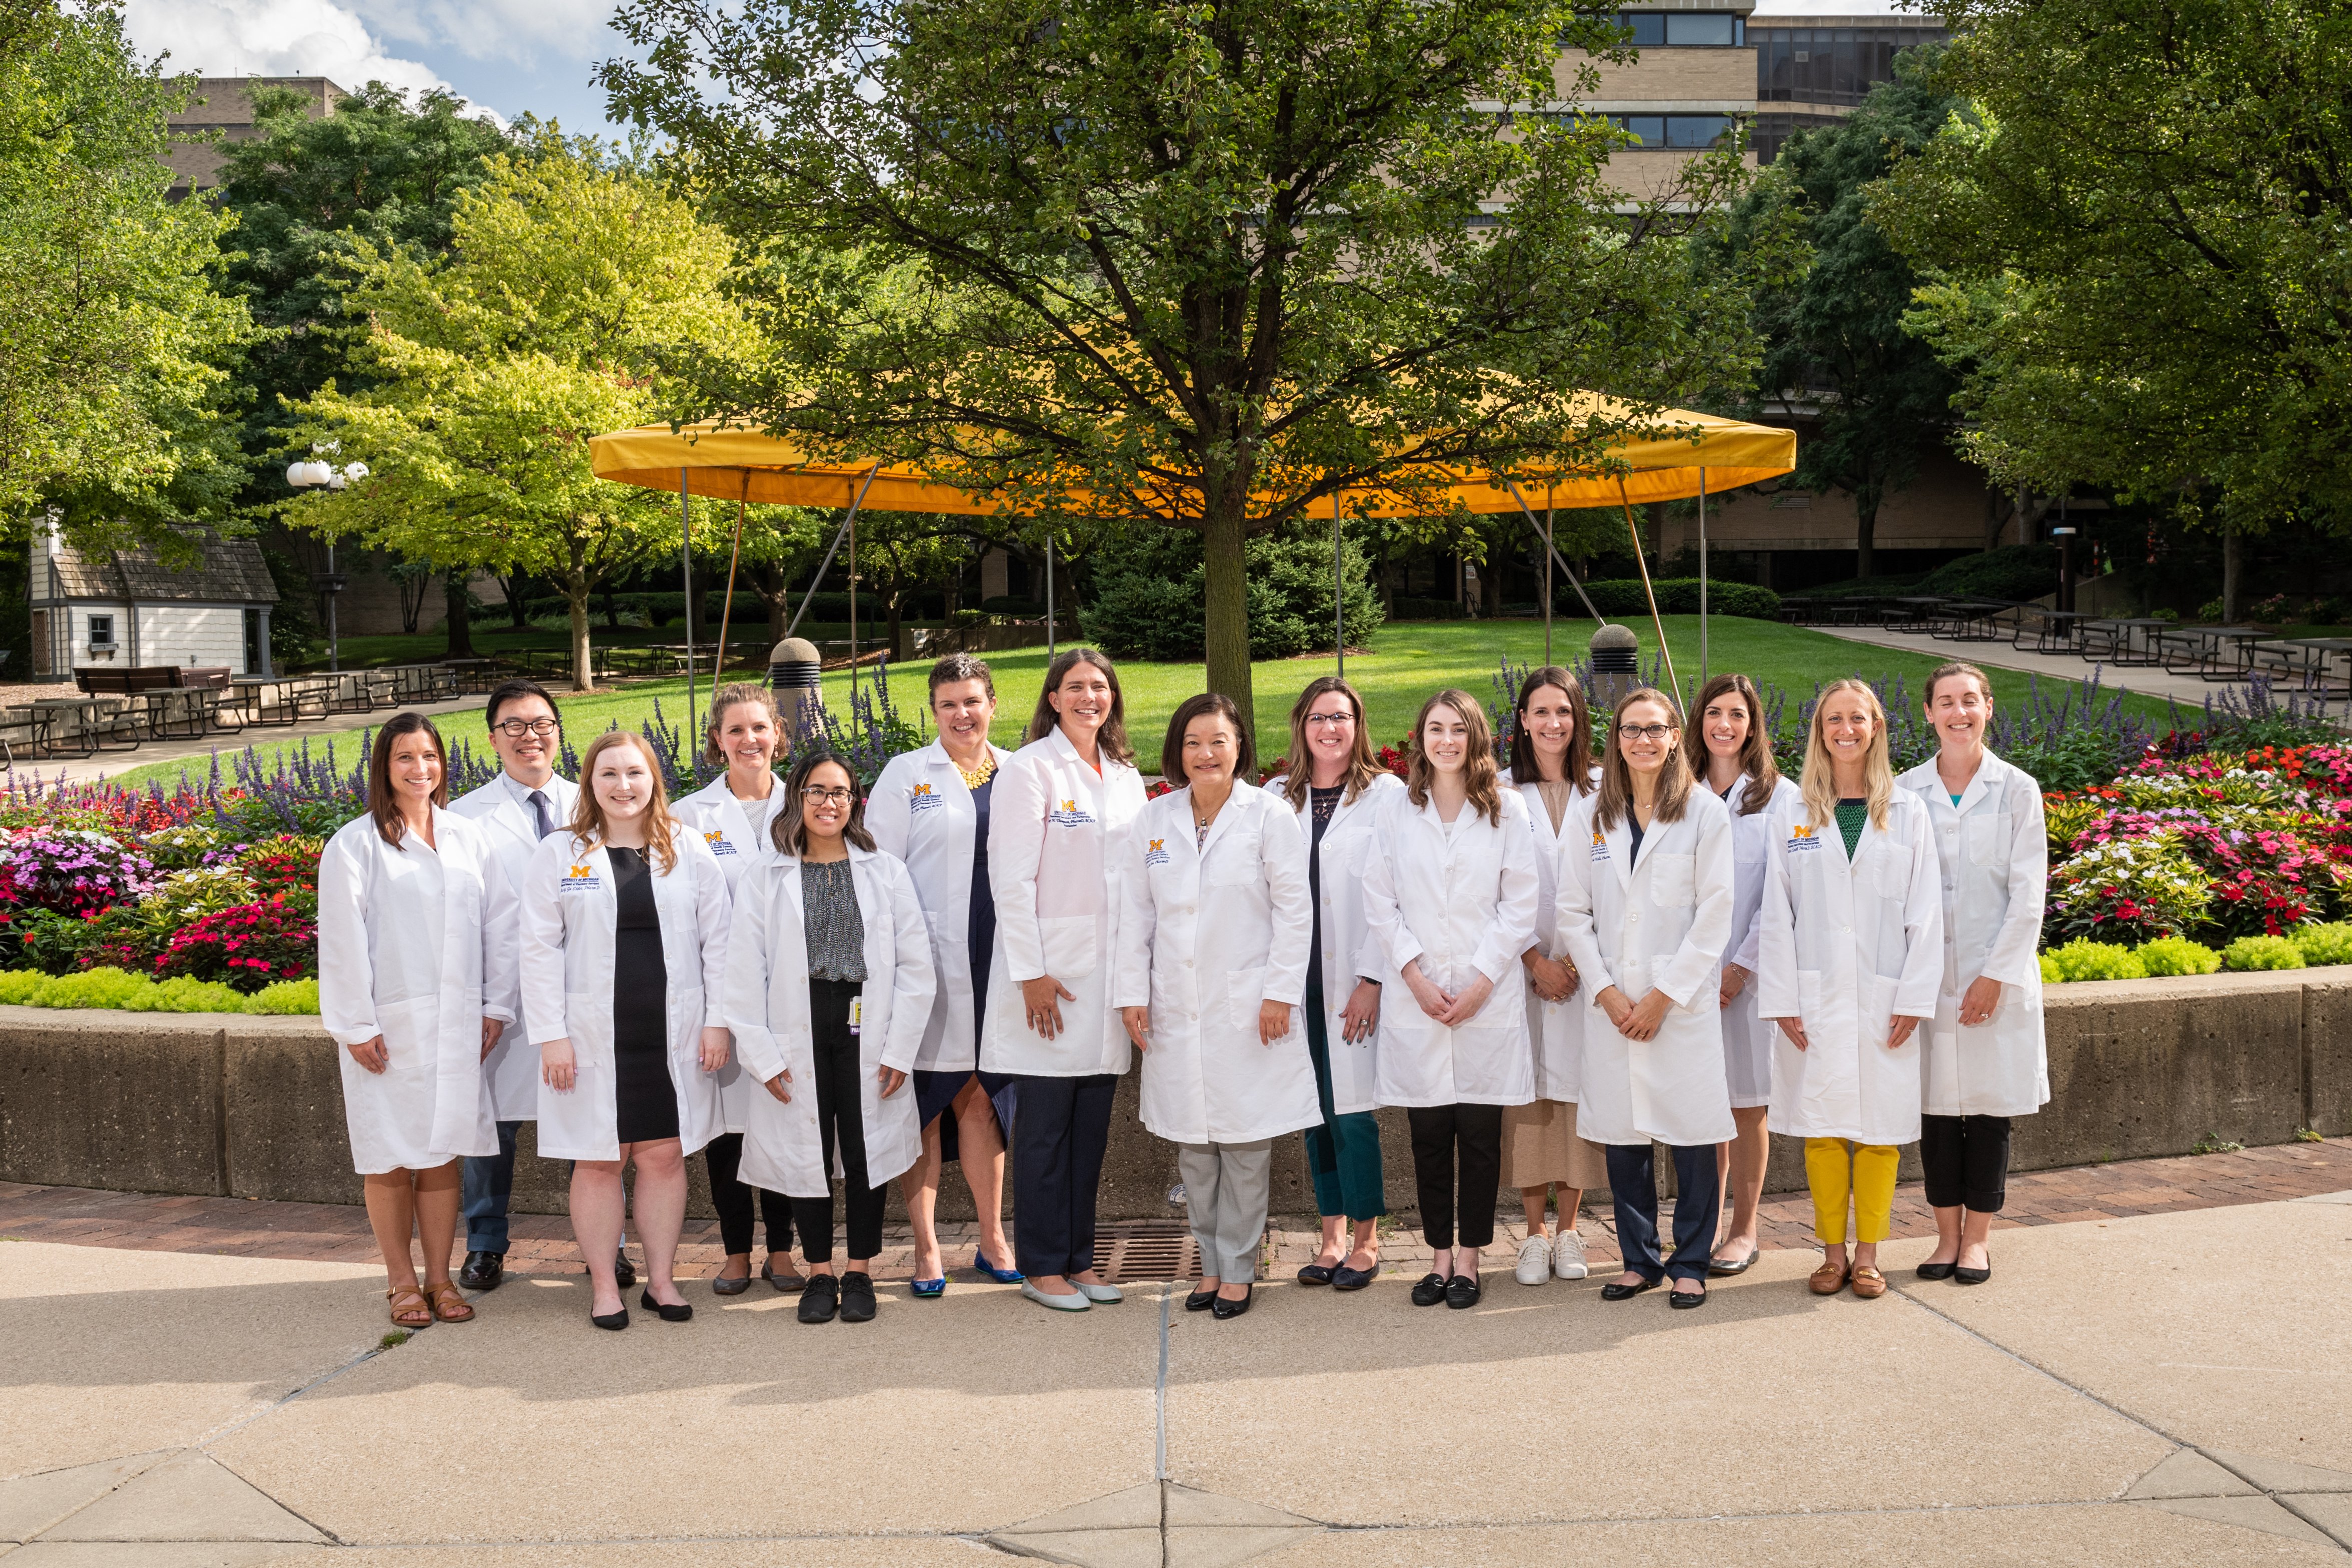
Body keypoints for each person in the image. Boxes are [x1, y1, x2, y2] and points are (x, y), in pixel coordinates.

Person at [522, 731, 732, 1331]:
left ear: (654, 781)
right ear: (589, 783)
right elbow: (536, 950)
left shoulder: (687, 847)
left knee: (665, 1156)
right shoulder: (561, 853)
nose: (623, 786)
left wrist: (717, 1022)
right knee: (599, 1160)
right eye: (609, 774)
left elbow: (720, 943)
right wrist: (551, 1035)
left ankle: (662, 1281)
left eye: (635, 774)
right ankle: (606, 1287)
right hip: (592, 1036)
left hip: (673, 1030)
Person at [1118, 694, 1318, 1320]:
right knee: (1193, 1151)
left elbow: (1294, 911)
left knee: (1245, 1146)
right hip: (1176, 1008)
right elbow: (1136, 917)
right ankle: (1207, 1263)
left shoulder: (1268, 816)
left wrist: (1281, 991)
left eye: (1218, 741)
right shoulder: (1152, 822)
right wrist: (1131, 995)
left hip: (1251, 1007)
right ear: (1178, 752)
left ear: (1239, 748)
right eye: (1193, 743)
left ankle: (1238, 1267)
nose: (1206, 754)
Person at [722, 750, 936, 1325]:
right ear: (797, 798)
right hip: (795, 1024)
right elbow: (740, 973)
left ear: (854, 802)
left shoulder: (884, 870)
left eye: (840, 792)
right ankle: (819, 1272)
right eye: (817, 791)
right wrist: (762, 1057)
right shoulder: (765, 876)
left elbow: (918, 968)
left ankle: (861, 1270)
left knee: (866, 1149)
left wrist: (899, 1049)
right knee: (805, 1150)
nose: (828, 803)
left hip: (866, 1023)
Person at [320, 713, 519, 1329]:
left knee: (441, 1156)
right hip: (389, 1027)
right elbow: (342, 943)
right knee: (388, 1157)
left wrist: (496, 1006)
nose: (419, 769)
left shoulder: (468, 837)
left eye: (429, 756)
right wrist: (355, 1026)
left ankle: (440, 1279)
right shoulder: (355, 845)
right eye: (405, 758)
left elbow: (501, 927)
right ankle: (401, 1283)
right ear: (384, 767)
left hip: (458, 1024)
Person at [1759, 679, 1944, 1301]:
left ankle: (1869, 1257)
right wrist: (1782, 998)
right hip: (1815, 998)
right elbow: (1774, 913)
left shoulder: (1908, 810)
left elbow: (1925, 913)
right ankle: (1830, 1255)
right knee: (1823, 1130)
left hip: (1884, 997)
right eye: (1834, 719)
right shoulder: (1792, 813)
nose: (1846, 729)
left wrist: (1914, 998)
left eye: (1857, 719)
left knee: (1879, 1131)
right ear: (1820, 730)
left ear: (1876, 727)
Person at [1558, 687, 1737, 1309]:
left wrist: (1663, 996)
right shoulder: (1591, 815)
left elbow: (1716, 914)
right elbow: (1570, 911)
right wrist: (1605, 992)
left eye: (1655, 729)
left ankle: (1690, 1262)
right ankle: (1639, 1260)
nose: (1642, 740)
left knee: (1691, 1139)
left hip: (1676, 1007)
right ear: (1616, 738)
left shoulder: (1704, 814)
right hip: (1612, 1003)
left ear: (1672, 738)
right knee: (1624, 1141)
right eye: (1631, 730)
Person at [983, 648, 1149, 1313]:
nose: (1088, 696)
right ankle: (1041, 1265)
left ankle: (1079, 1259)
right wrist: (1031, 973)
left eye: (1099, 686)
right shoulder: (1030, 770)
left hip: (1109, 978)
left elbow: (1139, 877)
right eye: (1075, 686)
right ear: (1052, 697)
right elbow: (1010, 879)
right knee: (1046, 1127)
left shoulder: (1126, 774)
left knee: (1089, 1129)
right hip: (1051, 980)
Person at [1362, 689, 1539, 1311]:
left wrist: (1482, 980)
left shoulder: (1506, 810)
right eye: (1435, 729)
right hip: (1420, 997)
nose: (1446, 741)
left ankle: (1470, 1260)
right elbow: (1379, 902)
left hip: (1484, 996)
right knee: (1429, 1134)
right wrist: (1412, 976)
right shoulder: (1395, 810)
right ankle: (1437, 1257)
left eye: (1457, 730)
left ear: (1475, 739)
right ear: (1421, 738)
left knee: (1481, 1137)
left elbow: (1520, 906)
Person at [868, 655, 1021, 1296]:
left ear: (992, 704)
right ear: (934, 712)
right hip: (927, 963)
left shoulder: (1019, 772)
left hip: (1001, 962)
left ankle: (992, 1237)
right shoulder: (907, 775)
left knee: (983, 1095)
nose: (963, 714)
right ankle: (926, 1247)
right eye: (949, 704)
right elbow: (878, 873)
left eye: (973, 701)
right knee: (926, 1104)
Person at [1897, 661, 2048, 1286]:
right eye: (1945, 702)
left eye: (1969, 701)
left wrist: (1995, 976)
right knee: (1934, 1113)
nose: (1958, 713)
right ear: (1928, 713)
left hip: (1994, 978)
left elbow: (2028, 894)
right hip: (1926, 980)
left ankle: (1978, 1240)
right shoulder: (1904, 792)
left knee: (1987, 1112)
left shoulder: (2017, 790)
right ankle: (1944, 1236)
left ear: (1989, 708)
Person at [449, 679, 591, 1294]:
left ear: (559, 733)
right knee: (493, 1128)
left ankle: (602, 1244)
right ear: (492, 739)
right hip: (502, 999)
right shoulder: (464, 817)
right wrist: (486, 1001)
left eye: (541, 724)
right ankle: (485, 1244)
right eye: (514, 725)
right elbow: (466, 919)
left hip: (583, 994)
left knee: (590, 1123)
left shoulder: (597, 803)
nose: (529, 736)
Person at [1264, 677, 1399, 1293]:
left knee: (1353, 1115)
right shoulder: (1274, 797)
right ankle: (1329, 1237)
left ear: (1356, 724)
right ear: (1302, 724)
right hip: (1296, 982)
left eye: (1340, 717)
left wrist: (1371, 978)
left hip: (1354, 978)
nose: (1329, 729)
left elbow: (1394, 896)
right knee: (1311, 1111)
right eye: (1319, 717)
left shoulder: (1386, 795)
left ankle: (1368, 1241)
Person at [671, 684, 802, 1296]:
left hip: (792, 998)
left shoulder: (809, 804)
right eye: (735, 731)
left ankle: (782, 1250)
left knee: (780, 1118)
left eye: (759, 728)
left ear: (778, 732)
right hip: (721, 999)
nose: (749, 740)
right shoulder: (688, 818)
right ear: (716, 741)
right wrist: (716, 1017)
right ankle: (735, 1252)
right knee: (727, 1130)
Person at [1685, 672, 1804, 1276]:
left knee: (1746, 1105)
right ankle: (1697, 1227)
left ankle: (1743, 1228)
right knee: (1701, 1104)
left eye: (1736, 714)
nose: (1724, 725)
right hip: (1686, 979)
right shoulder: (1678, 793)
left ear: (1753, 724)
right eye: (1713, 712)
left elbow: (1781, 897)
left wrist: (1740, 966)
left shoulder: (1779, 798)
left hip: (1748, 978)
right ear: (1698, 721)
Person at [1496, 666, 1605, 1287]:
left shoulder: (1602, 788)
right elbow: (1491, 892)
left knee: (1576, 1099)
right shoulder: (1503, 790)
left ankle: (1569, 1231)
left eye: (1562, 711)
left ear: (1577, 718)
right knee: (1530, 1100)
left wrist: (1572, 963)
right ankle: (1532, 1235)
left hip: (1587, 973)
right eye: (1540, 712)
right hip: (1522, 972)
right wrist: (1534, 960)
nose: (1552, 723)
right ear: (1522, 720)